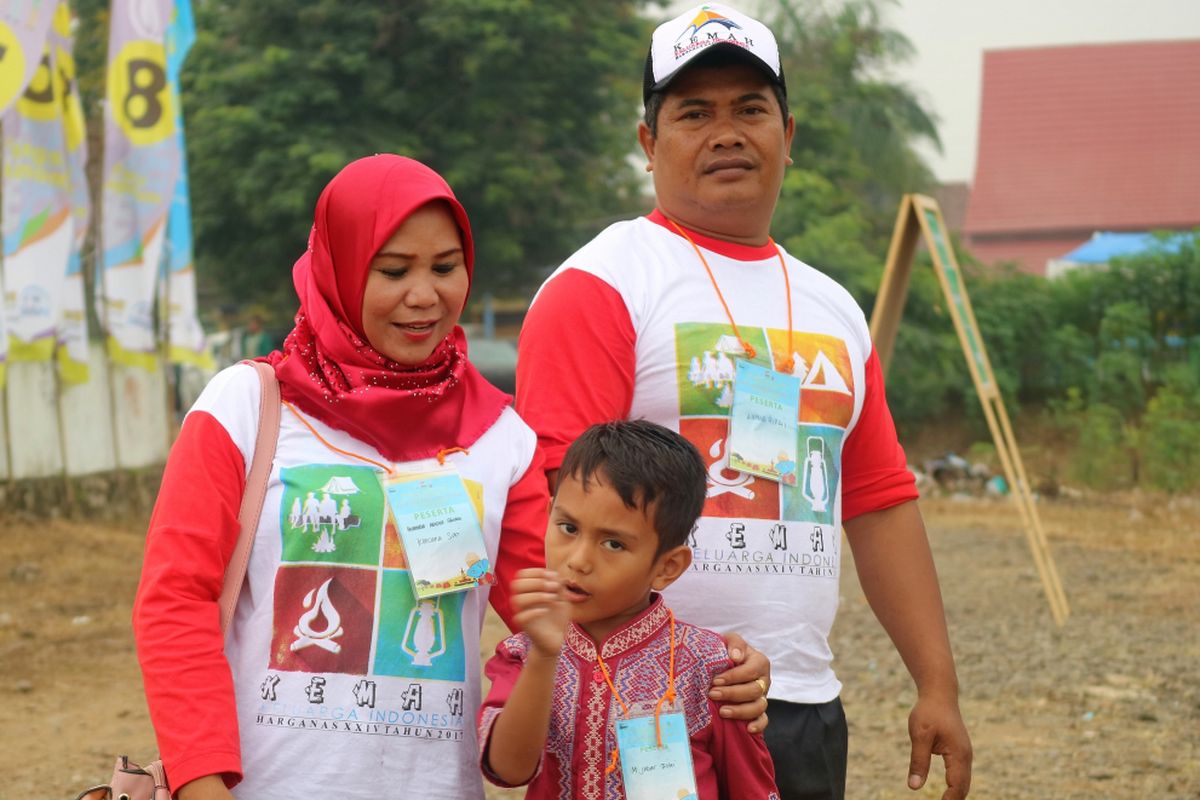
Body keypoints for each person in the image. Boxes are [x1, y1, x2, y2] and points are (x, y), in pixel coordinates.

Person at [514, 4, 973, 799]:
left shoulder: (833, 308)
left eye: (750, 109)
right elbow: (557, 513)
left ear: (788, 135)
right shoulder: (601, 285)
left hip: (802, 704)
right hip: (645, 705)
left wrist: (937, 684)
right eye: (695, 113)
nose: (727, 132)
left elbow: (878, 500)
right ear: (649, 145)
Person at [132, 155, 550, 799]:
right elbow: (175, 602)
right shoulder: (244, 406)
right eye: (392, 270)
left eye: (445, 267)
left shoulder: (504, 440)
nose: (424, 295)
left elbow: (561, 614)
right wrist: (203, 784)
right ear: (339, 268)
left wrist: (709, 661)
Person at [478, 420, 779, 798]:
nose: (579, 560)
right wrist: (544, 657)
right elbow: (506, 770)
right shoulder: (523, 654)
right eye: (568, 528)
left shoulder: (710, 668)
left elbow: (751, 788)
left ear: (667, 567)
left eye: (614, 544)